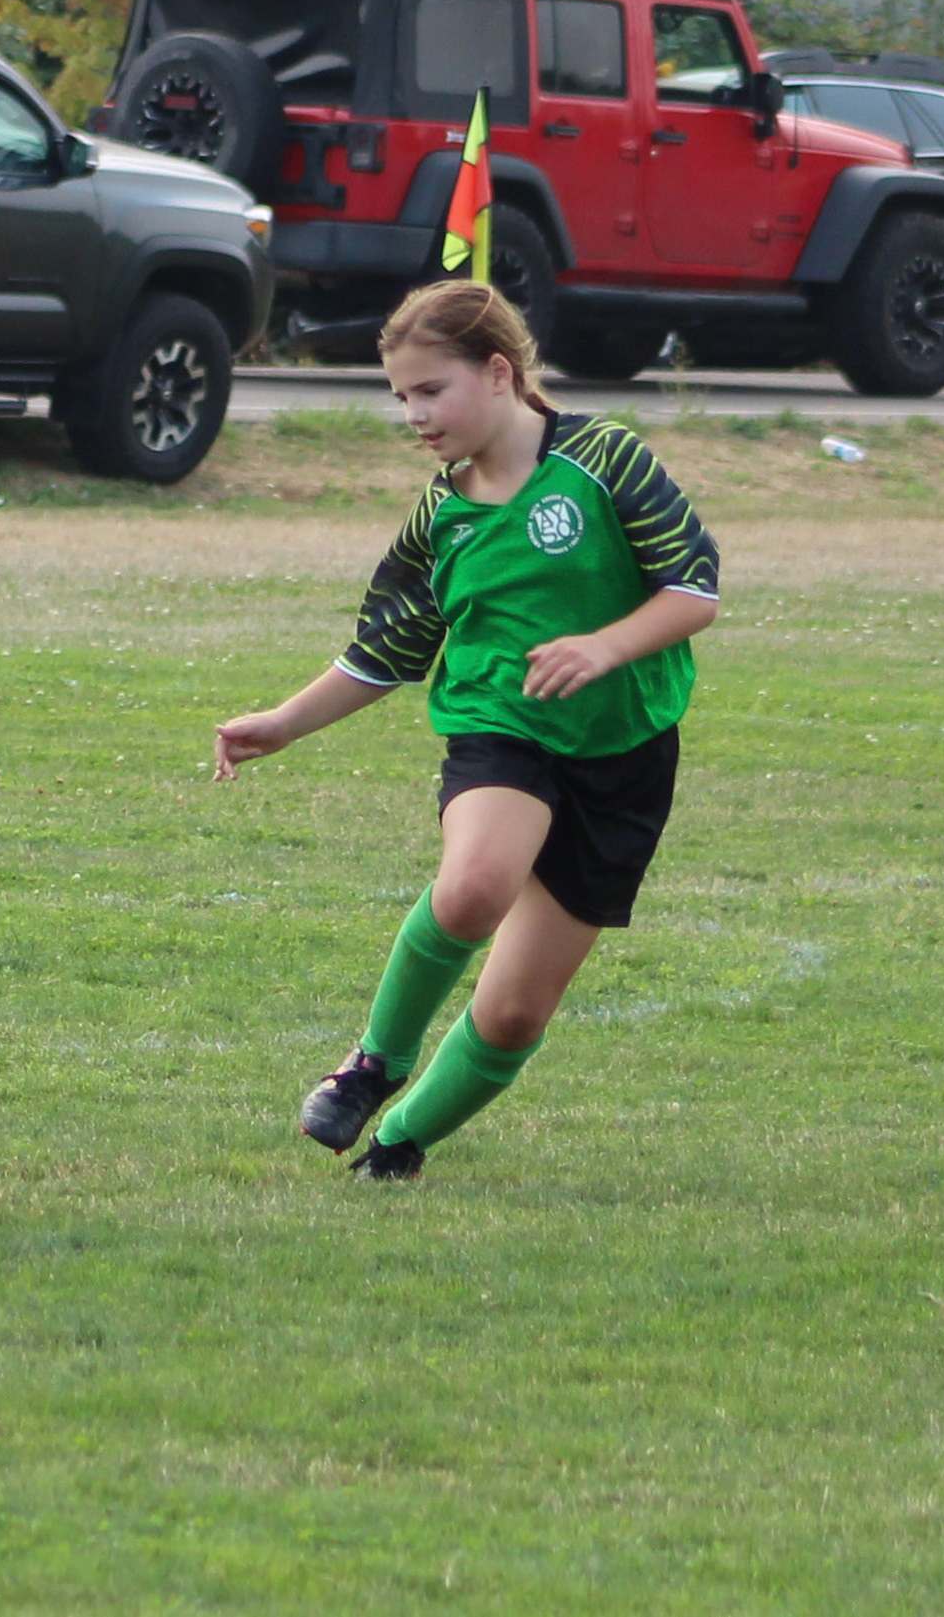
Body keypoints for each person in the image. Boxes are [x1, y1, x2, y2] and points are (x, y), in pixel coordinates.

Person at [213, 280, 718, 1179]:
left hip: (627, 755)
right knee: (477, 883)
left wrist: (603, 646)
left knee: (516, 1013)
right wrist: (284, 723)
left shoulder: (604, 458)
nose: (414, 415)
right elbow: (386, 648)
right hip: (501, 728)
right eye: (401, 395)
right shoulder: (439, 515)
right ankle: (373, 1063)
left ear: (498, 372)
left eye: (430, 390)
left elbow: (694, 587)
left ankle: (399, 1143)